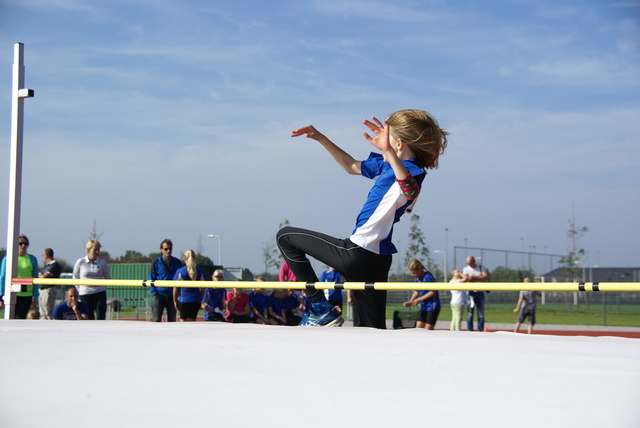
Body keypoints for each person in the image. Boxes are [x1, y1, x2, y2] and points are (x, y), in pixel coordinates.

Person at [277, 110, 448, 328]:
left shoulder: (412, 173)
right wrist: (320, 137)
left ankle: (319, 307)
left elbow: (409, 189)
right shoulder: (387, 165)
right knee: (371, 329)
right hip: (377, 259)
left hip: (358, 251)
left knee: (285, 237)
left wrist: (390, 153)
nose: (380, 144)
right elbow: (350, 165)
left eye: (387, 140)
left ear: (398, 145)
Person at [0, 234, 39, 319]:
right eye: (20, 243)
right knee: (9, 318)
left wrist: (35, 296)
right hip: (11, 293)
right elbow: (2, 277)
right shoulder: (7, 259)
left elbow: (35, 277)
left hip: (26, 294)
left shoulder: (32, 259)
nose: (23, 246)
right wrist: (1, 294)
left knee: (20, 318)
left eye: (25, 243)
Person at [73, 239, 111, 320]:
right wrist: (80, 289)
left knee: (101, 316)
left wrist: (102, 287)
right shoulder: (80, 261)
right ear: (88, 250)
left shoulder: (102, 262)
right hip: (85, 293)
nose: (97, 252)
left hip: (99, 292)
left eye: (98, 249)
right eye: (95, 250)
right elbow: (75, 277)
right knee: (88, 317)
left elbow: (108, 277)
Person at [148, 239, 182, 322]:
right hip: (159, 295)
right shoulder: (156, 262)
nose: (168, 251)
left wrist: (178, 293)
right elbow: (151, 277)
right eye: (166, 249)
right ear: (161, 250)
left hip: (172, 295)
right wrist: (154, 293)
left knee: (172, 321)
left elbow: (181, 279)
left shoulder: (177, 262)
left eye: (170, 249)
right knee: (156, 320)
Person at [402, 259, 440, 330]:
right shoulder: (417, 279)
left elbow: (433, 292)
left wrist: (419, 299)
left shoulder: (428, 277)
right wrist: (411, 301)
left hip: (432, 306)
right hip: (423, 306)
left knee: (428, 328)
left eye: (413, 273)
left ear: (419, 269)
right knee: (418, 327)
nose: (412, 275)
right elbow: (416, 291)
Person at [173, 249, 205, 322]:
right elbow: (203, 288)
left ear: (185, 259)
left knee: (182, 323)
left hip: (184, 300)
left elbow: (175, 287)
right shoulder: (199, 271)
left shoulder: (181, 271)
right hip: (195, 300)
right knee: (192, 323)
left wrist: (175, 300)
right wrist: (200, 299)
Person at [463, 255, 489, 332]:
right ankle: (469, 330)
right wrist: (478, 277)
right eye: (468, 263)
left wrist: (474, 277)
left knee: (481, 314)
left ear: (474, 261)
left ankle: (480, 331)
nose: (469, 265)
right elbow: (466, 279)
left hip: (480, 292)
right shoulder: (466, 269)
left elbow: (485, 277)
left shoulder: (481, 267)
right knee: (470, 314)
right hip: (471, 293)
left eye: (470, 263)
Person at [38, 248, 62, 320]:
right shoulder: (47, 265)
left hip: (49, 289)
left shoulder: (54, 265)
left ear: (46, 255)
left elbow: (44, 276)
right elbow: (40, 274)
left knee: (48, 311)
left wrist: (41, 276)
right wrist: (41, 275)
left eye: (43, 255)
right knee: (42, 312)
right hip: (43, 290)